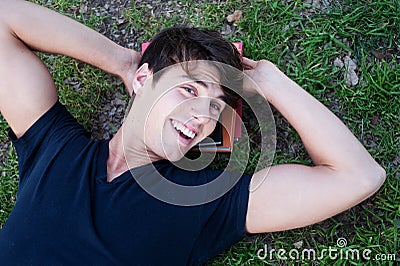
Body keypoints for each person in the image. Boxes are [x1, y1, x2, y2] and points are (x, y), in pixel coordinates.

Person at [0, 0, 386, 265]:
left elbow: (358, 176)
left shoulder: (204, 199)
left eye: (216, 105)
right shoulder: (55, 148)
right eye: (188, 89)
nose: (202, 114)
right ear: (143, 81)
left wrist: (273, 83)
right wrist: (124, 62)